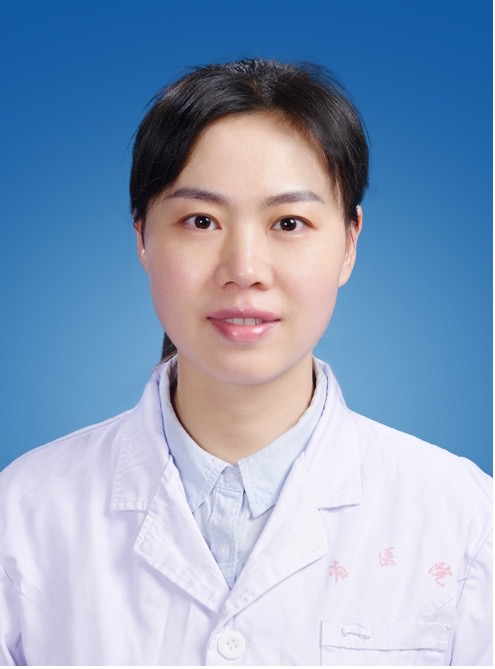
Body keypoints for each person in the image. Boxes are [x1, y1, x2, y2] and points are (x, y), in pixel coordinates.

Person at [0, 59, 491, 666]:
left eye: (289, 222)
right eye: (201, 221)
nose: (245, 269)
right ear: (142, 238)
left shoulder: (464, 520)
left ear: (349, 242)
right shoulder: (25, 513)